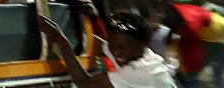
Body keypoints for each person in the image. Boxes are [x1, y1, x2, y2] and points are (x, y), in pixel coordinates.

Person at [40, 11, 176, 88]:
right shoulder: (141, 54)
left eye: (122, 47)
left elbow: (85, 83)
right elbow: (99, 44)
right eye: (112, 44)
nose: (115, 52)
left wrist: (61, 41)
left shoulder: (140, 73)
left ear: (144, 44)